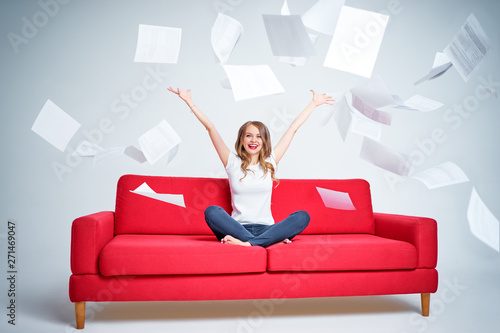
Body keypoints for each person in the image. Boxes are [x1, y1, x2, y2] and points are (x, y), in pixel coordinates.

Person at [168, 87, 333, 247]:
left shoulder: (271, 161)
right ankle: (264, 243)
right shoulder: (231, 161)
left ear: (264, 141)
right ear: (242, 140)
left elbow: (293, 129)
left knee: (302, 217)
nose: (253, 140)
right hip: (237, 229)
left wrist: (313, 103)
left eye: (258, 136)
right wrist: (190, 102)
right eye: (248, 136)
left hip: (268, 228)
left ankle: (248, 244)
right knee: (212, 211)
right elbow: (210, 128)